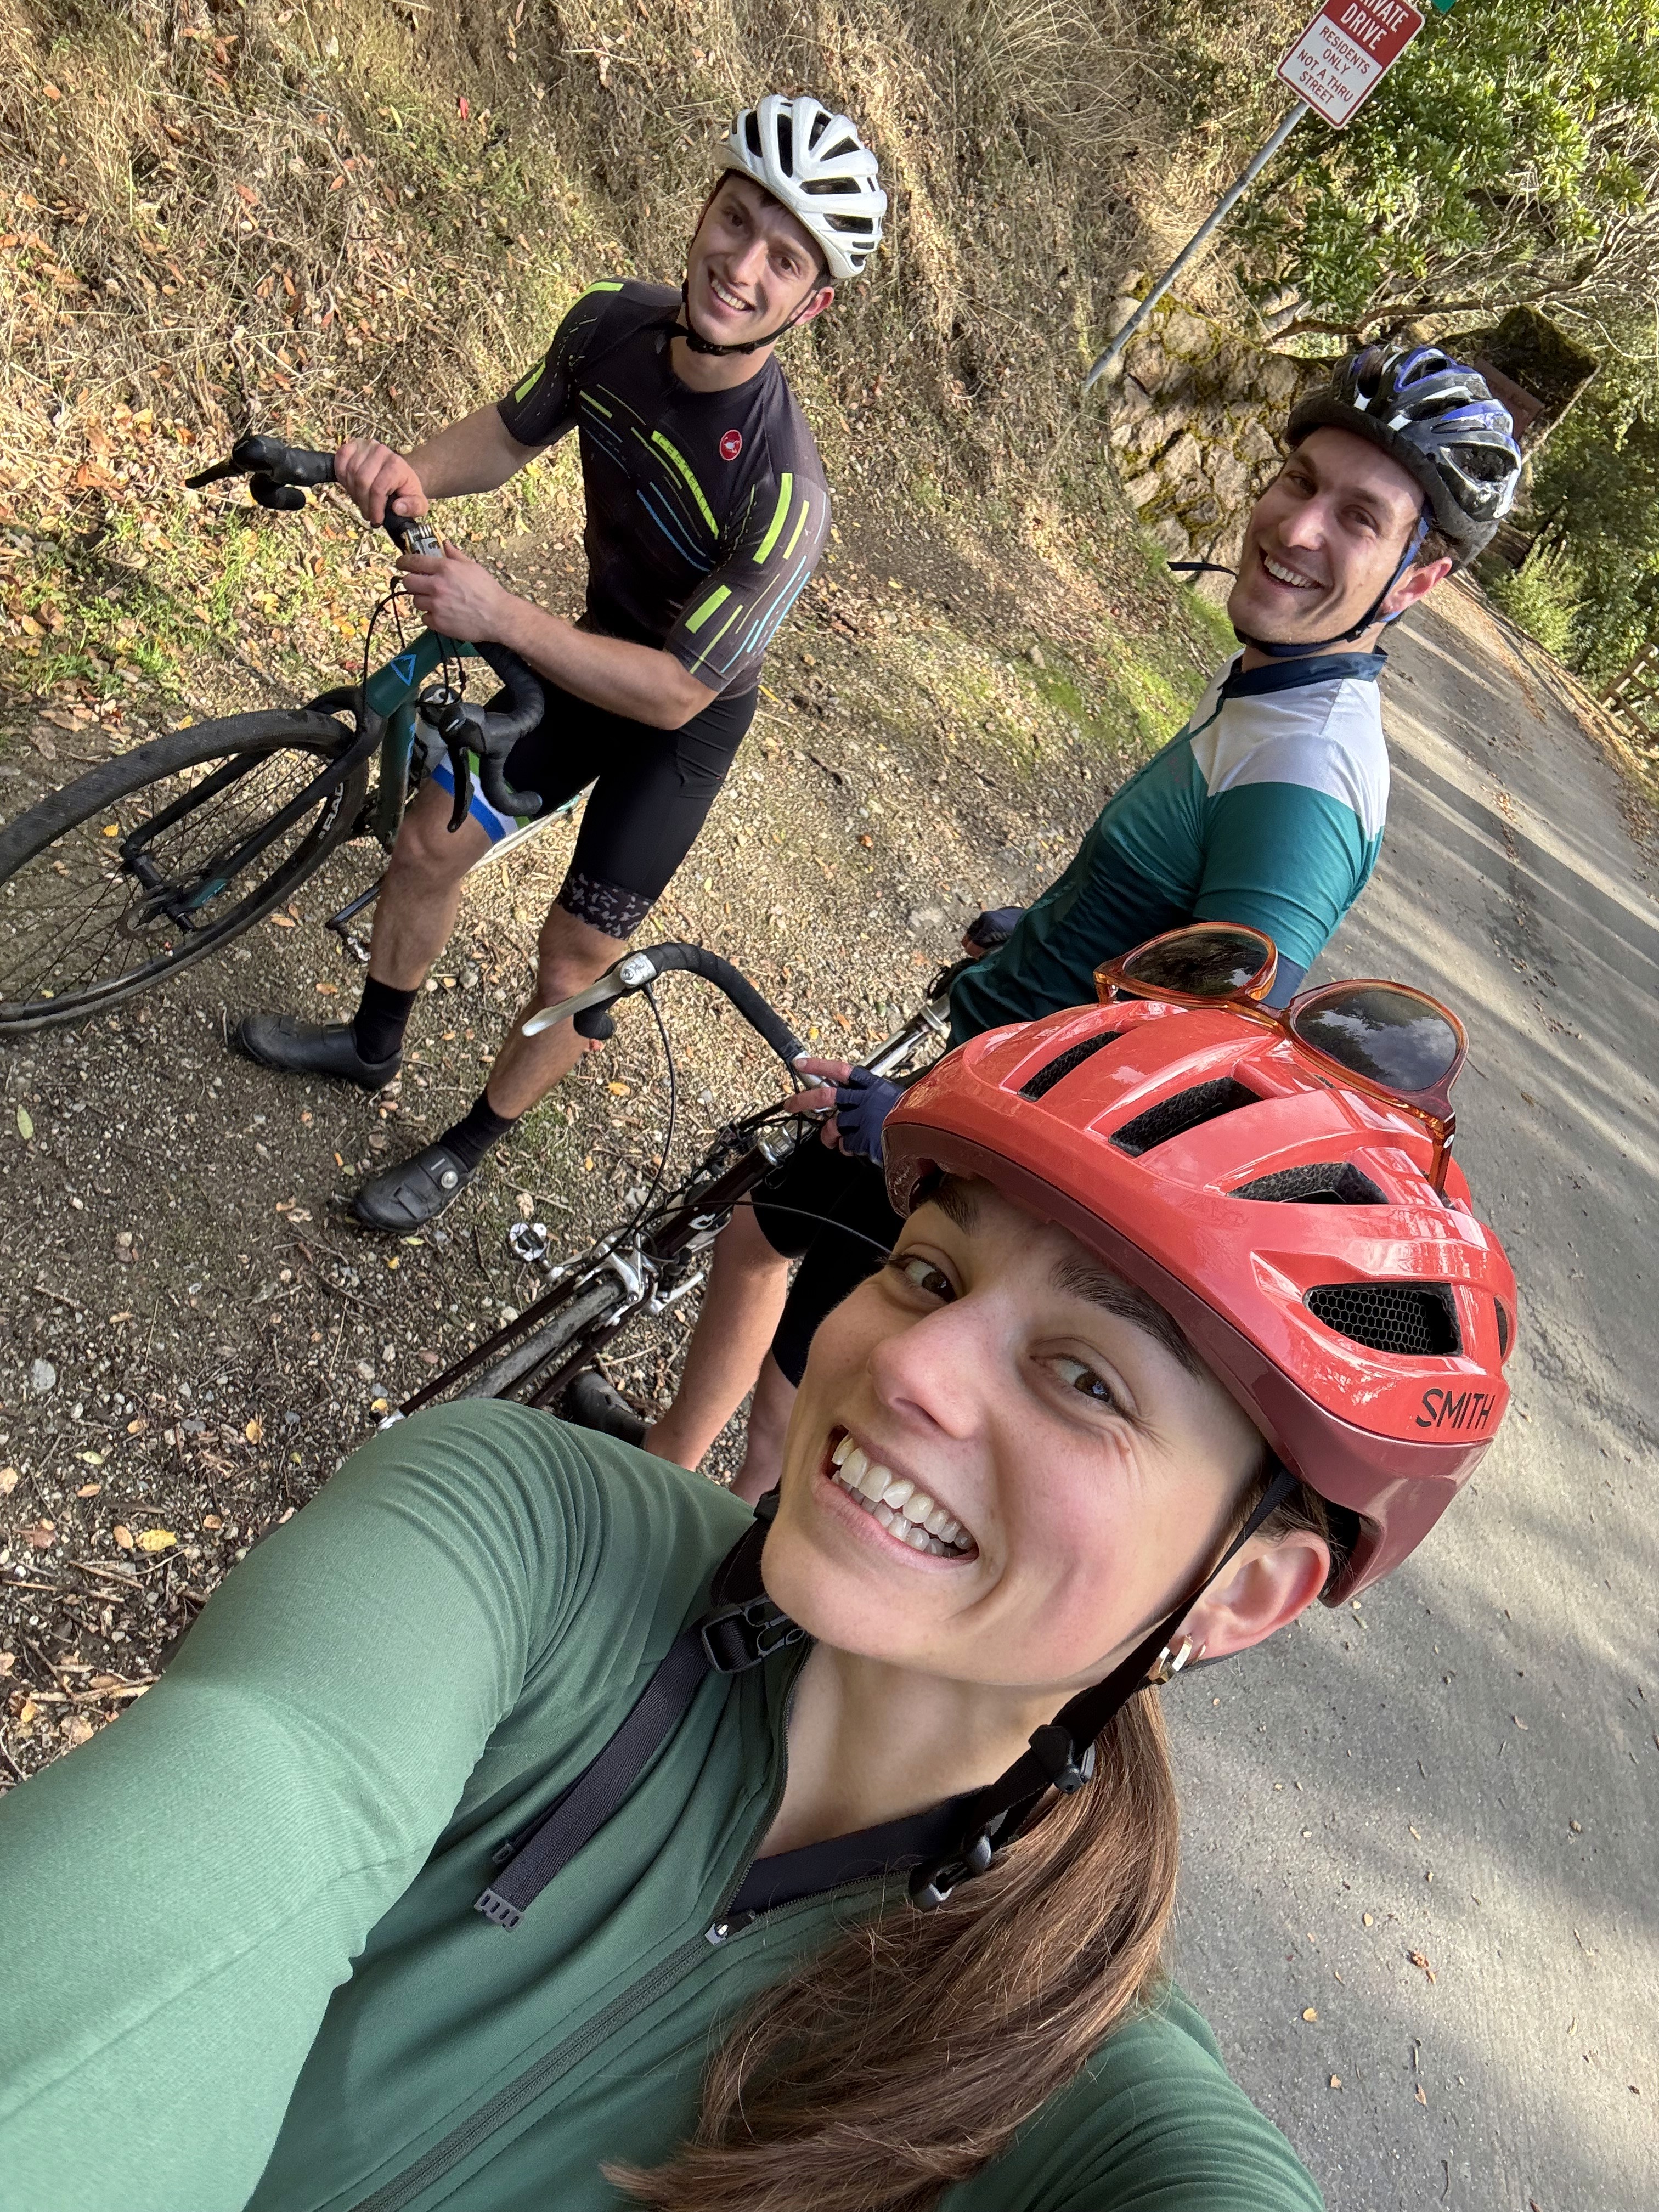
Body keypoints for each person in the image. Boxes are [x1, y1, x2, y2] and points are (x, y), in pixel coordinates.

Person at [0, 932, 1516, 2212]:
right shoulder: (528, 1535)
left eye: (1085, 1379)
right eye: (930, 1271)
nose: (908, 1364)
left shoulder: (1074, 2098)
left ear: (1242, 1593)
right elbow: (241, 1808)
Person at [628, 343, 1522, 1492]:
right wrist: (1060, 926)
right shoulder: (1281, 690)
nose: (1300, 528)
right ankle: (661, 1467)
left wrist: (930, 1128)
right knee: (762, 1235)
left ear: (1418, 576)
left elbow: (1207, 1079)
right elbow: (1186, 951)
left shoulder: (1306, 780)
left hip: (990, 1145)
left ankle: (704, 1548)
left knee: (800, 1407)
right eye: (1300, 480)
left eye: (1359, 517)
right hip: (979, 1076)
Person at [235, 95, 886, 1232]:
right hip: (585, 662)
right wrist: (415, 475)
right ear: (704, 210)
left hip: (674, 725)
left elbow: (678, 690)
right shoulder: (611, 326)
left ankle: (466, 1149)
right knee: (429, 840)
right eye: (737, 221)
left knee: (574, 958)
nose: (742, 267)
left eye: (785, 261)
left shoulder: (786, 494)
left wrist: (501, 614)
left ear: (814, 303)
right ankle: (373, 1044)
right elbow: (509, 432)